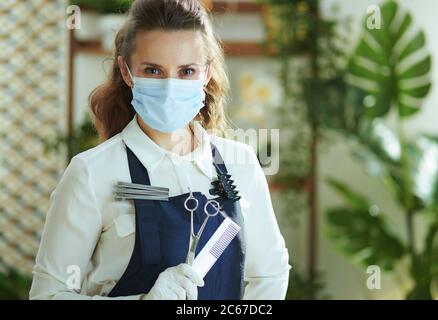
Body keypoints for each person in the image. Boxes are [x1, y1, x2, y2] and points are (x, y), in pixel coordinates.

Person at [29, 0, 290, 300]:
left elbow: (270, 274)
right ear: (127, 72)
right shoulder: (91, 173)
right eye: (153, 70)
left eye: (186, 71)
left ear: (206, 74)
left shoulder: (240, 164)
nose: (169, 86)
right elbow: (48, 295)